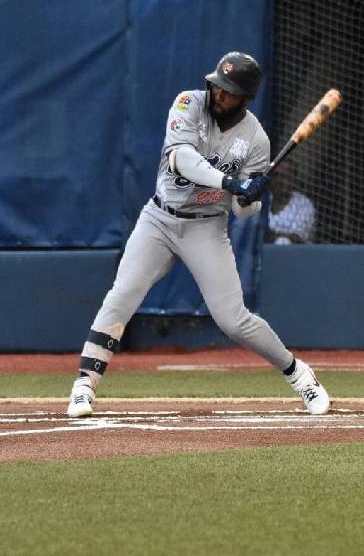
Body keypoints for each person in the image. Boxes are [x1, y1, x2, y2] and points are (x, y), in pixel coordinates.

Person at [66, 51, 330, 417]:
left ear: (246, 97)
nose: (219, 95)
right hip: (159, 218)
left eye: (229, 91)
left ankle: (300, 375)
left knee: (232, 319)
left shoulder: (256, 140)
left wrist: (252, 195)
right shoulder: (189, 103)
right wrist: (231, 181)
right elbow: (181, 159)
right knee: (123, 292)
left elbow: (242, 210)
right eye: (218, 86)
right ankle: (84, 385)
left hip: (206, 227)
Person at [265, 162, 316, 244]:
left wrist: (268, 235)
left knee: (282, 241)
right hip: (264, 253)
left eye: (284, 176)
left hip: (295, 254)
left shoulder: (304, 204)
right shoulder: (262, 201)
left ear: (293, 180)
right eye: (276, 175)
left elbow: (297, 238)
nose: (279, 180)